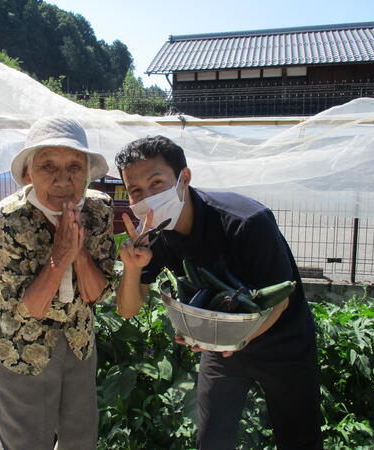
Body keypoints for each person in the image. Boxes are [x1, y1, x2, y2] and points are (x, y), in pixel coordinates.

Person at [114, 135, 323, 449]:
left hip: (283, 343)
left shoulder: (246, 221)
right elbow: (128, 310)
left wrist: (233, 338)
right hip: (221, 345)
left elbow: (280, 302)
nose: (148, 197)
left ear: (184, 178)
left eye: (156, 182)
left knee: (298, 438)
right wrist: (131, 267)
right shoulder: (156, 235)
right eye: (136, 191)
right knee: (213, 439)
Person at [0, 116, 116, 450]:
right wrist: (59, 257)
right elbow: (28, 308)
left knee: (80, 438)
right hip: (21, 343)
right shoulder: (8, 218)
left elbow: (97, 293)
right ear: (28, 173)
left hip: (77, 339)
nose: (63, 179)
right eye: (48, 166)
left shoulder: (99, 210)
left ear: (87, 171)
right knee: (24, 442)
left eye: (75, 166)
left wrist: (79, 253)